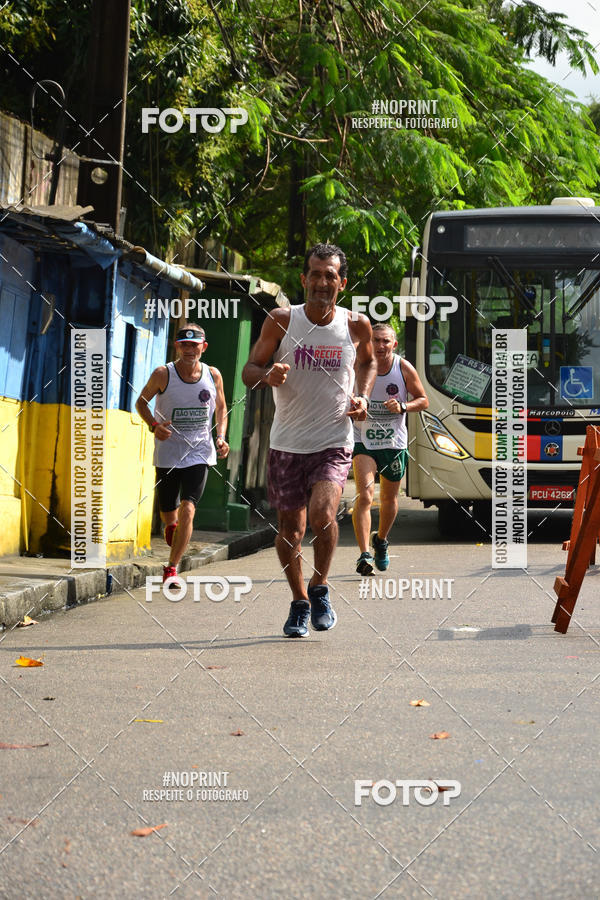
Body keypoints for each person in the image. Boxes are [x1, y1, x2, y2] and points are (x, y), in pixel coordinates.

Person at [242, 243, 376, 637]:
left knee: (322, 515)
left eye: (330, 275)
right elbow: (250, 369)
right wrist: (267, 376)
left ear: (342, 282)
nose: (322, 282)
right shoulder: (282, 321)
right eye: (315, 274)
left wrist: (364, 395)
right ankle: (300, 600)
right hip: (287, 442)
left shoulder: (356, 325)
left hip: (334, 438)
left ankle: (320, 587)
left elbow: (367, 361)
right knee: (291, 529)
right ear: (304, 280)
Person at [135, 325, 229, 583]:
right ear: (177, 346)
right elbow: (141, 402)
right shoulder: (163, 374)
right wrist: (154, 426)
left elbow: (221, 408)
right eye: (184, 345)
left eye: (194, 345)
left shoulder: (213, 375)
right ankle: (173, 530)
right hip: (168, 452)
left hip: (199, 451)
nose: (189, 350)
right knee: (170, 516)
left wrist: (220, 436)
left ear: (204, 347)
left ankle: (171, 569)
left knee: (188, 508)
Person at [352, 322, 429, 574]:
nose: (381, 345)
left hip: (393, 441)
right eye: (376, 340)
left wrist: (403, 407)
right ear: (368, 343)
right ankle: (364, 555)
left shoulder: (403, 367)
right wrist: (354, 409)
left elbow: (423, 399)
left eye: (386, 341)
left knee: (388, 499)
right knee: (364, 495)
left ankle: (381, 541)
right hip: (363, 439)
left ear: (394, 344)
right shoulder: (357, 365)